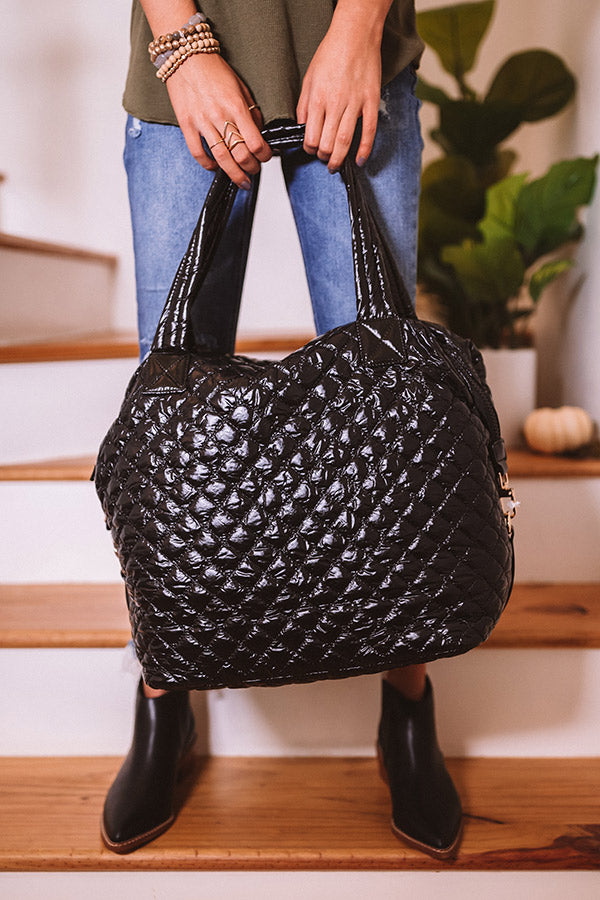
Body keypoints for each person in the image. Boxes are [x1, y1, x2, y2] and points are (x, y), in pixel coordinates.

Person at [101, 0, 463, 860]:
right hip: (184, 58)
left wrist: (359, 28)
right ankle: (164, 701)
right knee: (171, 433)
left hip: (352, 49)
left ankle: (407, 707)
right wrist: (180, 44)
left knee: (388, 420)